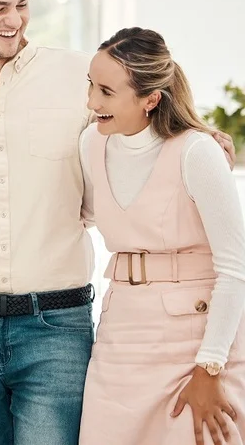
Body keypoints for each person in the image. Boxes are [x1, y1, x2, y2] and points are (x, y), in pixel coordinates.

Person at [0, 0, 235, 445]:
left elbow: (143, 116)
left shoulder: (82, 78)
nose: (14, 19)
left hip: (55, 324)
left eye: (23, 4)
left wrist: (193, 132)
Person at [78, 27, 245, 445]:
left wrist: (209, 367)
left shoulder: (197, 151)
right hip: (122, 333)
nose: (92, 102)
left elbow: (235, 267)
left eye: (106, 91)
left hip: (195, 338)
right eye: (91, 86)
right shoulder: (91, 145)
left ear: (150, 98)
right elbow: (83, 216)